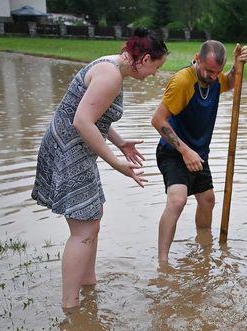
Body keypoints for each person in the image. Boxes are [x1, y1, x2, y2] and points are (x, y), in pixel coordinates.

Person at [31, 28, 168, 309]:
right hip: (69, 150)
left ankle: (88, 283)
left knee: (93, 216)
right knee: (83, 228)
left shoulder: (113, 66)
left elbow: (94, 114)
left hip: (74, 147)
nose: (156, 73)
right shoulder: (111, 75)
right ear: (143, 60)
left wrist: (119, 143)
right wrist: (115, 163)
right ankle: (71, 307)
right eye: (157, 65)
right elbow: (82, 121)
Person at [152, 40, 247, 263]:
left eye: (217, 72)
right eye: (208, 71)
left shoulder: (215, 78)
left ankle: (203, 248)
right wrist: (186, 152)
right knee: (177, 200)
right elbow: (158, 120)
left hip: (198, 154)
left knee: (207, 200)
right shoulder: (183, 81)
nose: (213, 77)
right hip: (174, 151)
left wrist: (236, 66)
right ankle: (163, 262)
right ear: (197, 58)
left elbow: (230, 82)